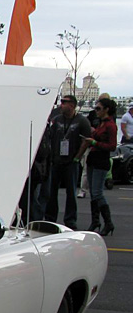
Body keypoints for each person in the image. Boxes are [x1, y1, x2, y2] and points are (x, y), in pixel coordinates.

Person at [42, 95, 91, 229]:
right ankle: (50, 218)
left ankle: (70, 220)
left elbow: (86, 140)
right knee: (52, 192)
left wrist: (77, 157)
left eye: (65, 102)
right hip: (56, 161)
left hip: (71, 162)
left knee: (71, 192)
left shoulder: (81, 121)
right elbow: (50, 137)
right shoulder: (57, 120)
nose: (62, 105)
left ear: (72, 105)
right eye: (61, 102)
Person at [77, 97, 117, 235]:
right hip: (93, 159)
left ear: (107, 109)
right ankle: (95, 221)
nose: (96, 111)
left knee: (98, 192)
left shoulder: (110, 125)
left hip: (101, 160)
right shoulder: (101, 123)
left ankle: (108, 222)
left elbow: (112, 146)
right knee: (94, 192)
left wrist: (94, 143)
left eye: (99, 108)